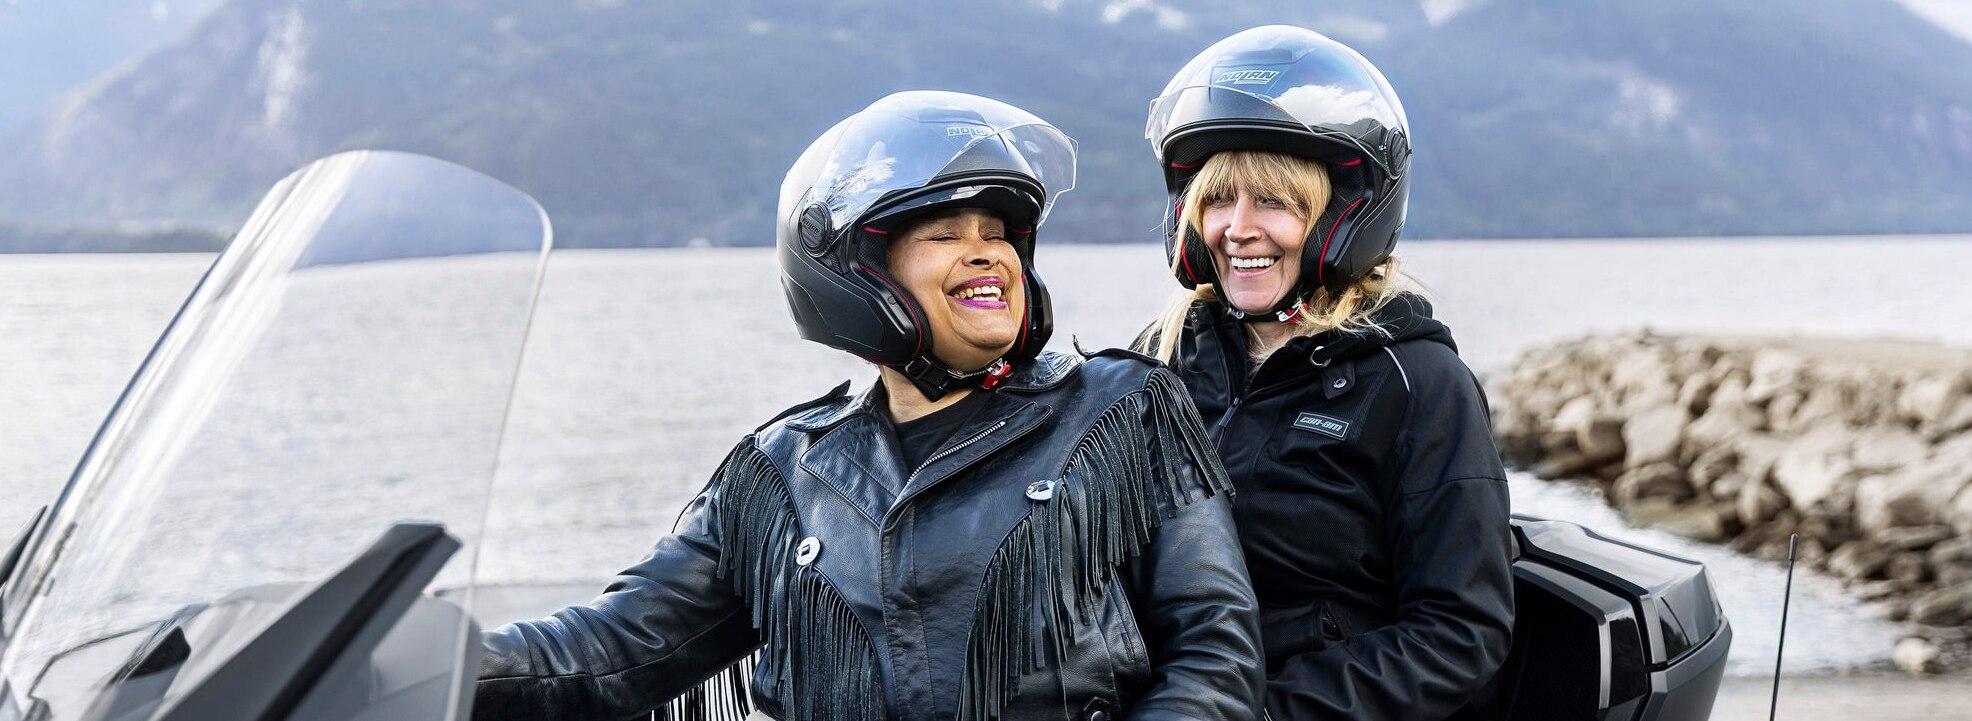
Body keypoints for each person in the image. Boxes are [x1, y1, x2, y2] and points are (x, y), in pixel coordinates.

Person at [475, 91, 1264, 721]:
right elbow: (616, 646)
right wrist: (441, 659)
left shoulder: (1120, 412)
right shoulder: (780, 475)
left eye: (999, 232)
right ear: (859, 275)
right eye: (945, 232)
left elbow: (1216, 656)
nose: (988, 250)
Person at [1134, 26, 1514, 721]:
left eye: (1274, 202)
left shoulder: (1415, 383)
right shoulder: (1161, 358)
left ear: (1343, 218)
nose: (1237, 229)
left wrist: (1267, 713)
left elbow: (1461, 633)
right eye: (1218, 199)